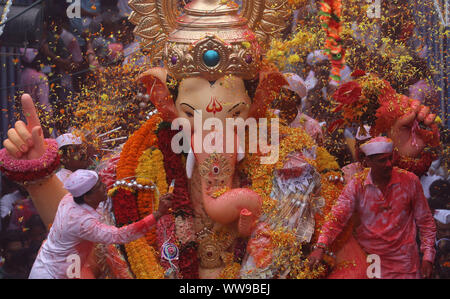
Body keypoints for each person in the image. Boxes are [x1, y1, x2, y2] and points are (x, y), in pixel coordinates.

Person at [308, 137, 437, 278]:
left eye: (390, 158)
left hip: (405, 264)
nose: (388, 164)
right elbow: (337, 218)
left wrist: (428, 257)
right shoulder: (357, 184)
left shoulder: (409, 181)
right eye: (382, 160)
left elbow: (425, 221)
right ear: (368, 162)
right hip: (372, 263)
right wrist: (321, 246)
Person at [28, 169, 173, 279]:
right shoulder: (83, 222)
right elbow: (119, 235)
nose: (104, 186)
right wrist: (157, 215)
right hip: (51, 275)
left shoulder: (70, 198)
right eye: (98, 186)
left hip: (53, 265)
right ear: (87, 196)